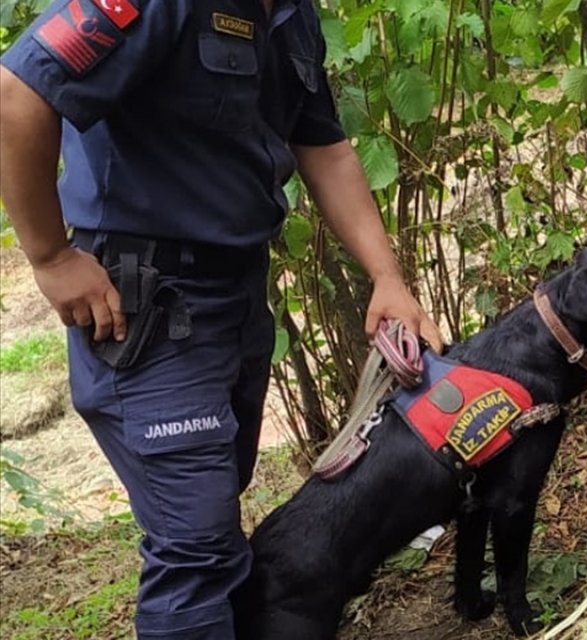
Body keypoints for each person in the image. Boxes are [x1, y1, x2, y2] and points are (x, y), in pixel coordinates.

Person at [0, 0, 443, 638]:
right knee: (197, 548)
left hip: (236, 294)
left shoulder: (292, 14)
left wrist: (388, 278)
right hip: (146, 302)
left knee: (212, 515)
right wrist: (49, 255)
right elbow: (19, 91)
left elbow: (324, 145)